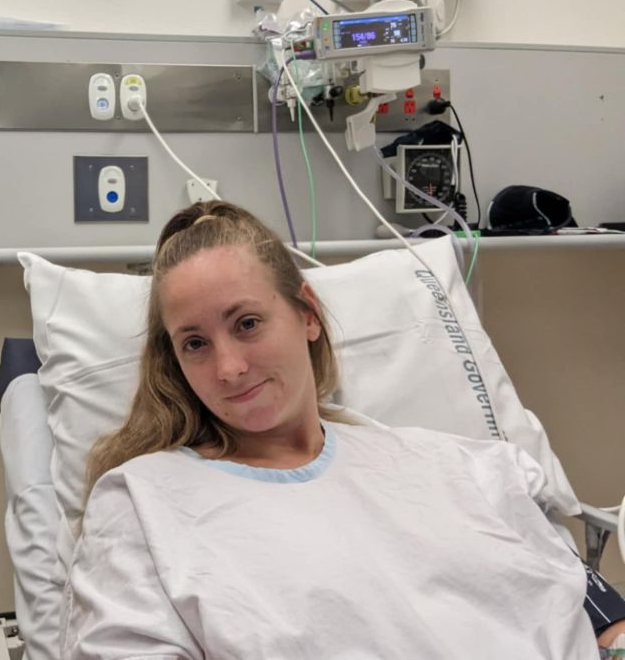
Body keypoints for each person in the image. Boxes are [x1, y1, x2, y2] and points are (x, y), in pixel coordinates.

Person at [63, 200, 625, 659]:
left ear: (307, 314)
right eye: (195, 344)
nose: (228, 367)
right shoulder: (142, 504)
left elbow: (582, 602)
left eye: (247, 323)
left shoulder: (451, 466)